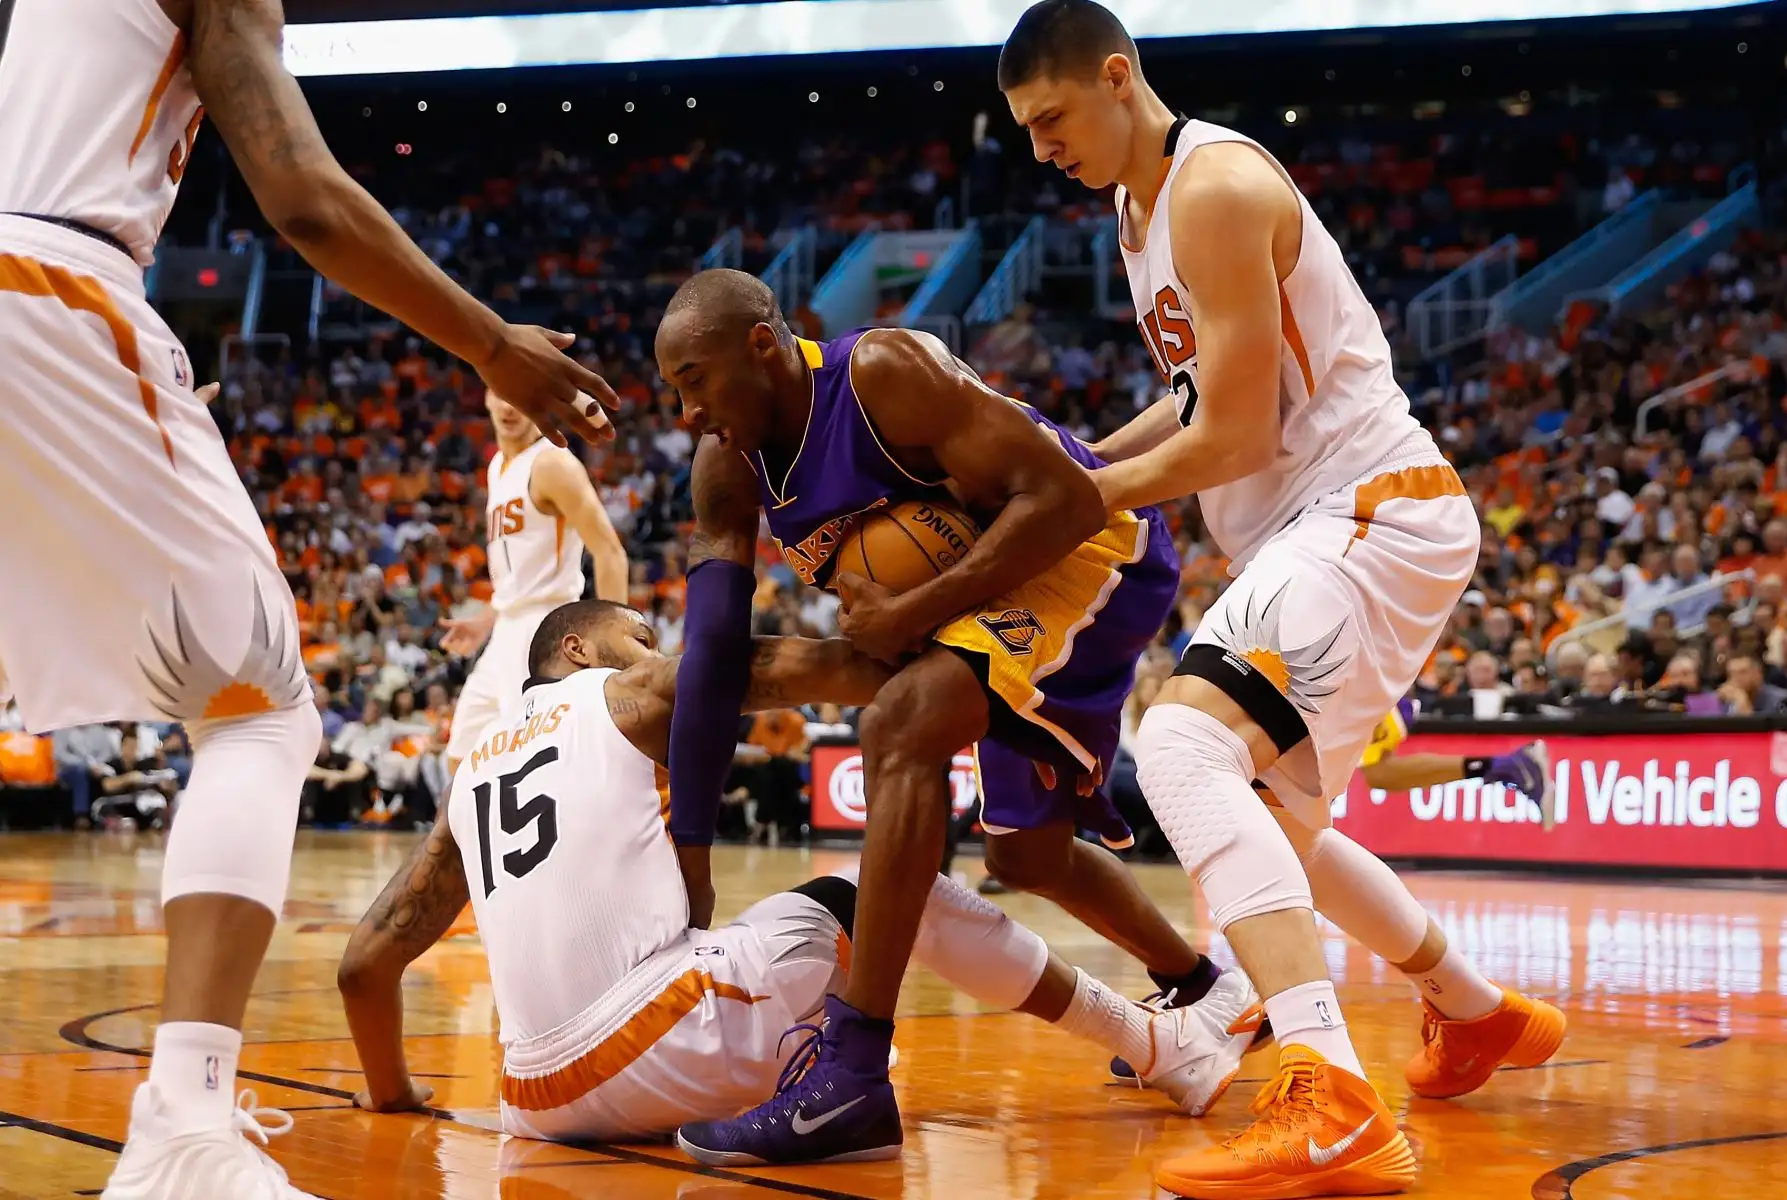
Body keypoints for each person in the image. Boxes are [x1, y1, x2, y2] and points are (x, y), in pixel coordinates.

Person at [0, 2, 614, 1195]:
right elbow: (304, 197)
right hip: (49, 289)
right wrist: (492, 343)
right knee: (260, 711)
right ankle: (184, 1118)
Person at [997, 5, 1566, 1196]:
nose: (1041, 146)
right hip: (1326, 525)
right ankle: (1473, 1012)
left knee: (1185, 746)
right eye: (1026, 130)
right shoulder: (1134, 207)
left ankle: (1329, 1091)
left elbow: (1237, 432)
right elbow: (1201, 393)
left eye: (1051, 118)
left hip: (1369, 507)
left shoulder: (1213, 188)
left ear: (1116, 79)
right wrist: (1084, 466)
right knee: (1276, 820)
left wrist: (1071, 506)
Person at [657, 269, 1254, 1165]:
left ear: (761, 343)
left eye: (694, 380)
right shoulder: (726, 469)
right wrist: (691, 854)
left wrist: (908, 615)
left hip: (1084, 550)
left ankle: (856, 1073)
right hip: (967, 599)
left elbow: (1063, 498)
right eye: (673, 391)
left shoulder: (881, 375)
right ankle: (1207, 991)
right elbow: (710, 656)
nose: (687, 414)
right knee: (1025, 853)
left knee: (900, 725)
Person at [336, 600, 1226, 1151]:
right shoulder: (634, 693)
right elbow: (841, 669)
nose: (656, 649)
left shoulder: (471, 777)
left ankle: (795, 1060)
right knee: (863, 893)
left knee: (759, 957)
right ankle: (1162, 1047)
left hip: (534, 1100)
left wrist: (395, 1096)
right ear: (576, 649)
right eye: (638, 635)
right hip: (663, 1044)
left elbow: (362, 968)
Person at [439, 391, 629, 776]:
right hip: (506, 629)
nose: (510, 406)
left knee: (534, 763)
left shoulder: (551, 464)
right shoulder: (498, 467)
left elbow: (610, 553)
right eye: (500, 393)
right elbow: (521, 570)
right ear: (487, 397)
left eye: (520, 396)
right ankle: (471, 838)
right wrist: (486, 620)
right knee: (462, 755)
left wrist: (614, 646)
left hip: (545, 628)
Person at [1359, 699, 1555, 831]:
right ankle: (1507, 766)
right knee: (1381, 775)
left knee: (1378, 772)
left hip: (1356, 680)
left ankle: (1509, 765)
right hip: (1351, 675)